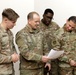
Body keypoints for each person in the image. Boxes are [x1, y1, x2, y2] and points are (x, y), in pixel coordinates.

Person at [39, 8, 60, 75]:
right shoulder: (37, 25)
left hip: (53, 57)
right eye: (47, 17)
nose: (49, 19)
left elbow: (60, 37)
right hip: (42, 57)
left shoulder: (55, 26)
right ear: (43, 15)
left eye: (51, 18)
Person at [0, 8, 19, 75]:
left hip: (10, 71)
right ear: (5, 20)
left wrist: (16, 54)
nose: (15, 24)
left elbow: (12, 47)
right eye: (13, 22)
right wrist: (11, 58)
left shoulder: (10, 33)